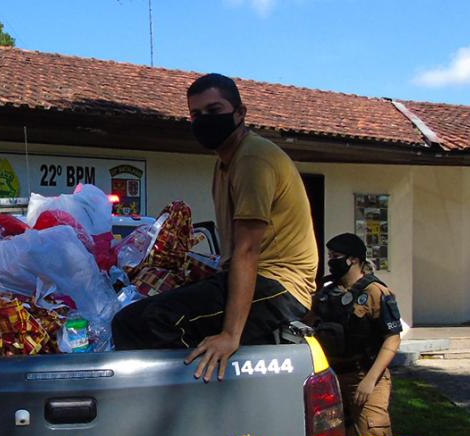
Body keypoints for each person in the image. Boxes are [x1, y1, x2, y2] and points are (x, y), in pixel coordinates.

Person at [112, 73, 317, 382]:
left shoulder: (253, 159)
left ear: (240, 113)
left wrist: (230, 335)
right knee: (151, 303)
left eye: (214, 111)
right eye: (196, 115)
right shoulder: (226, 163)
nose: (204, 120)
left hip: (281, 285)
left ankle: (192, 398)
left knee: (140, 321)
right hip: (263, 277)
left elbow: (247, 250)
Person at [309, 233, 401, 436]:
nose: (331, 262)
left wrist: (370, 380)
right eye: (330, 257)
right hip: (331, 379)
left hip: (366, 376)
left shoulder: (376, 292)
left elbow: (392, 338)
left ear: (354, 259)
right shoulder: (327, 293)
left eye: (336, 257)